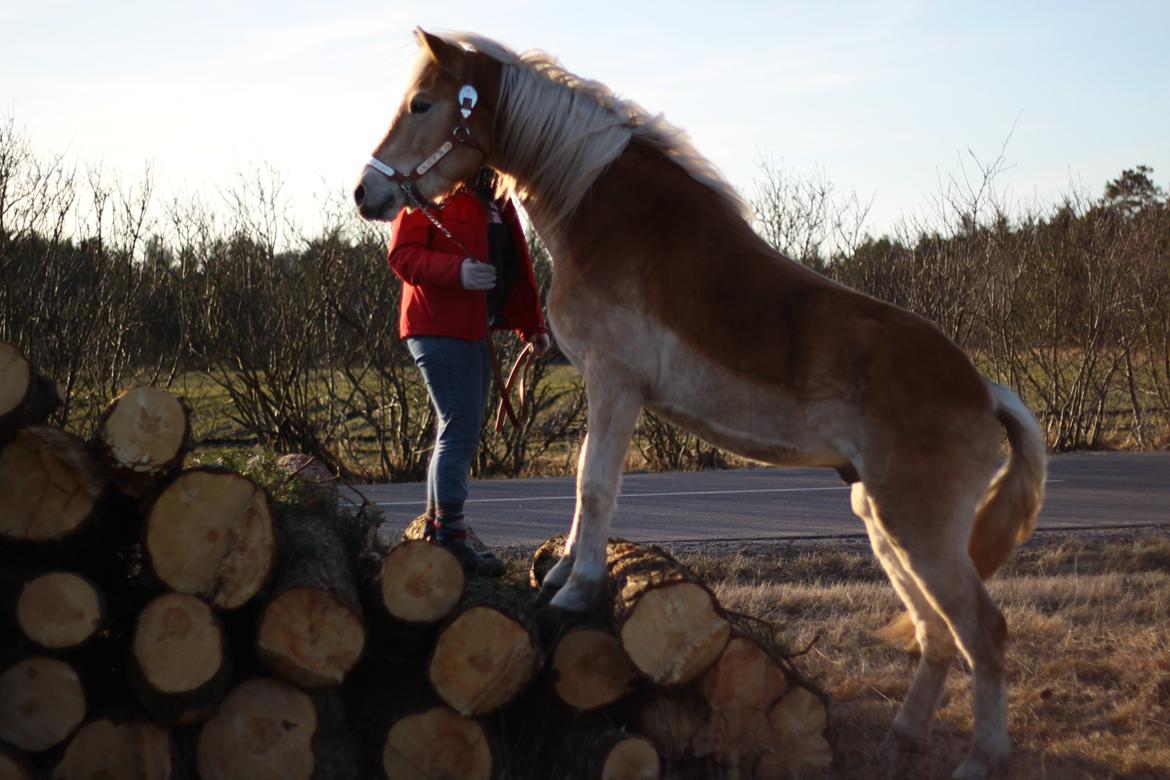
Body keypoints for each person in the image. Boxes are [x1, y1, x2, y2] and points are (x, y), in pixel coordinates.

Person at [387, 169, 550, 575]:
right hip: (435, 326)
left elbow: (515, 265)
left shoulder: (496, 195)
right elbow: (402, 255)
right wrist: (456, 271)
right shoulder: (428, 188)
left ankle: (437, 530)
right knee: (459, 426)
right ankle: (449, 541)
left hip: (473, 327)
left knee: (456, 427)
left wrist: (532, 325)